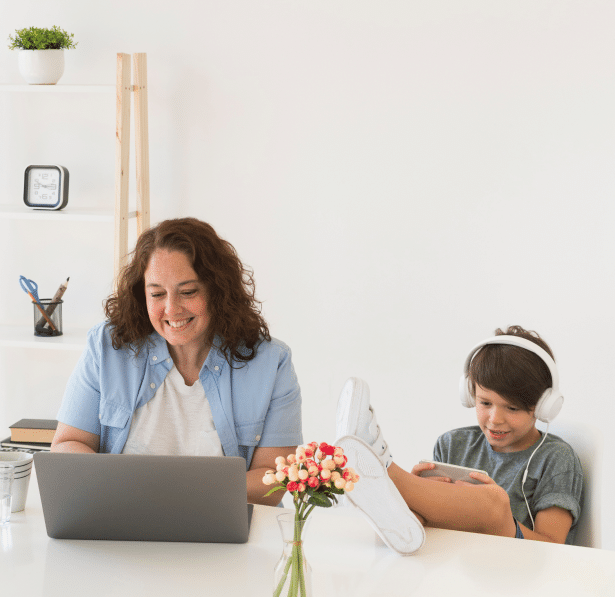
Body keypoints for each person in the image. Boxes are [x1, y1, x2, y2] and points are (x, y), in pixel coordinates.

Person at [52, 217, 303, 506]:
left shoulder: (271, 363)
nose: (171, 309)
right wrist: (124, 488)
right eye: (157, 294)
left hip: (221, 531)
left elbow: (273, 478)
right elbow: (66, 446)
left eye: (188, 292)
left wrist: (174, 496)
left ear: (217, 290)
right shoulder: (107, 347)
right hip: (122, 521)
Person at [334, 326, 584, 554]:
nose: (495, 419)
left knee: (494, 500)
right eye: (485, 403)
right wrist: (426, 496)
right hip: (459, 559)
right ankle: (395, 500)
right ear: (470, 394)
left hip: (515, 564)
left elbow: (553, 549)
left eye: (513, 409)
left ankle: (386, 474)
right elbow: (442, 525)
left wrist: (503, 519)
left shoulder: (556, 458)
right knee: (417, 516)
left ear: (542, 407)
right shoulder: (452, 443)